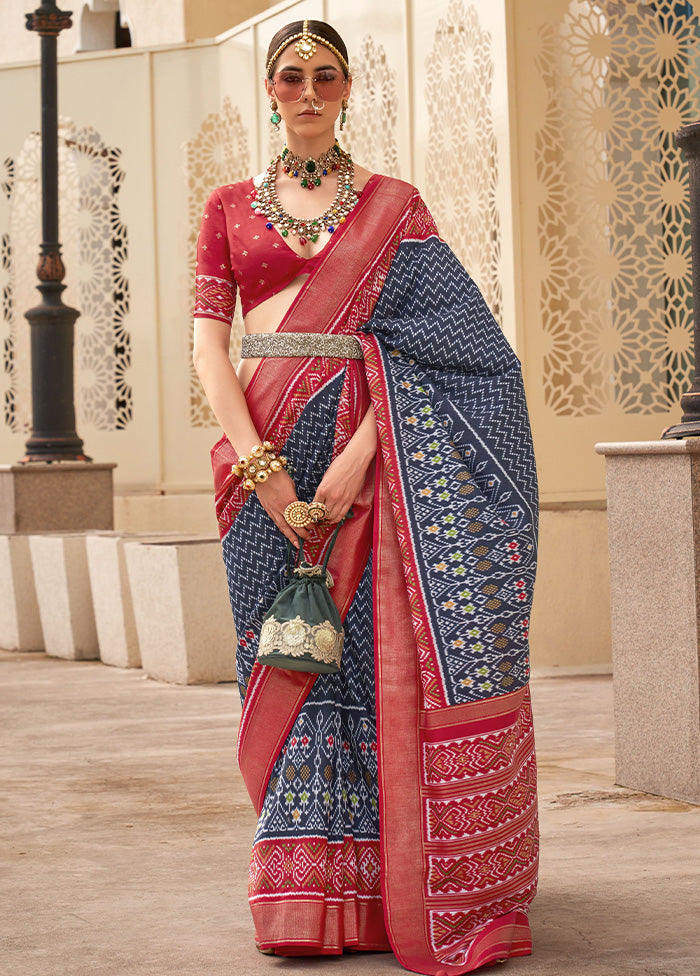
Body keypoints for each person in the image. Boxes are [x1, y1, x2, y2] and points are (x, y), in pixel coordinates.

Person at [193, 19, 539, 975]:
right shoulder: (226, 207)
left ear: (348, 90)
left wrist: (352, 462)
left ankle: (393, 893)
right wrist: (265, 471)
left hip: (370, 457)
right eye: (292, 76)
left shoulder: (394, 207)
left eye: (326, 77)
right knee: (287, 662)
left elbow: (465, 356)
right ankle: (306, 903)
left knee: (366, 667)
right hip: (256, 460)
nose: (308, 92)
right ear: (271, 90)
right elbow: (206, 348)